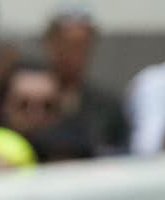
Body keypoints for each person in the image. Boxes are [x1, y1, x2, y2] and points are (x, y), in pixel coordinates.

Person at [41, 8, 127, 154]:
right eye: (65, 44)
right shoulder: (27, 100)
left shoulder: (107, 105)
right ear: (49, 44)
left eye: (80, 45)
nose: (72, 53)